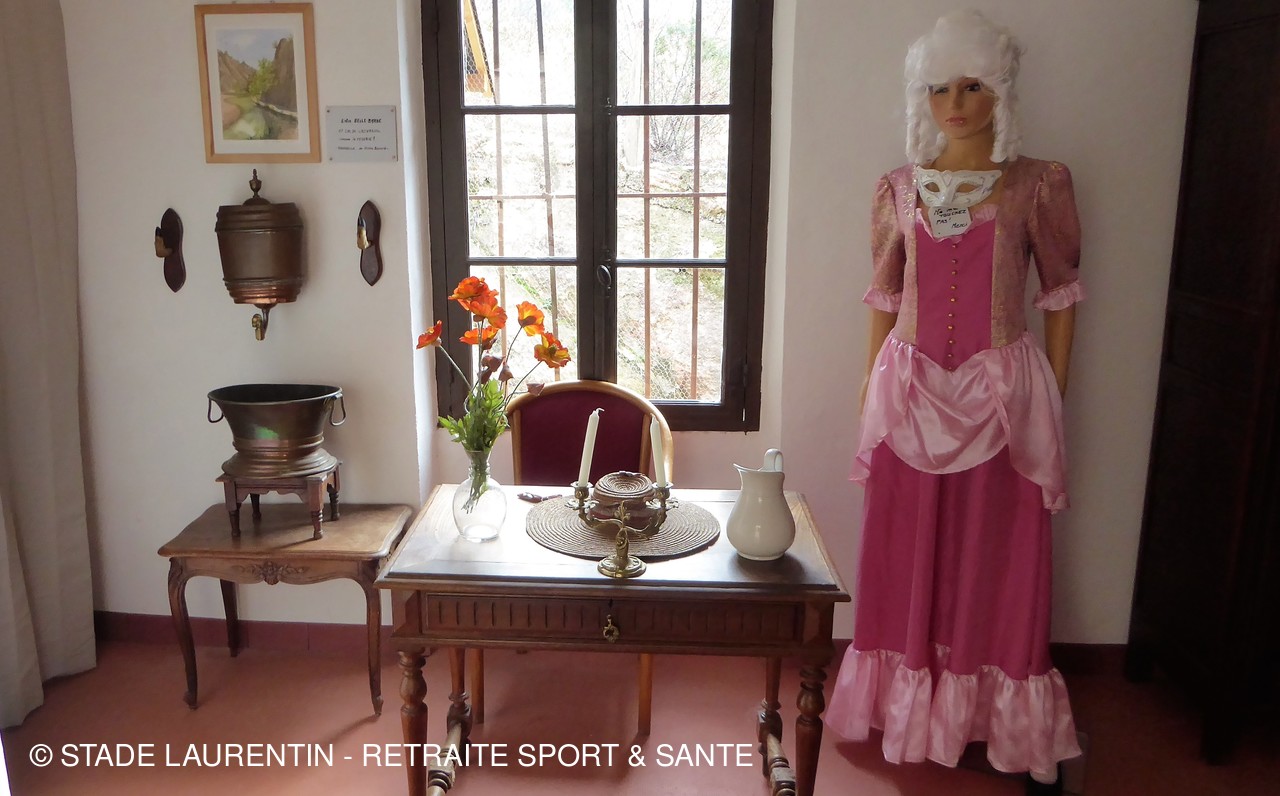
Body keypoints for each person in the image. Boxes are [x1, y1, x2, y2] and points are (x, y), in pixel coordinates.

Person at [825, 10, 1083, 793]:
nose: (956, 104)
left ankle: (991, 718)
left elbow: (1060, 293)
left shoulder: (1039, 183)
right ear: (922, 96)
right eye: (940, 89)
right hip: (908, 399)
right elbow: (884, 293)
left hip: (1003, 401)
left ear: (1000, 90)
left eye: (972, 86)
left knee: (997, 554)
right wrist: (868, 381)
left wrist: (1054, 390)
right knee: (904, 549)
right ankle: (906, 709)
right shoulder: (899, 188)